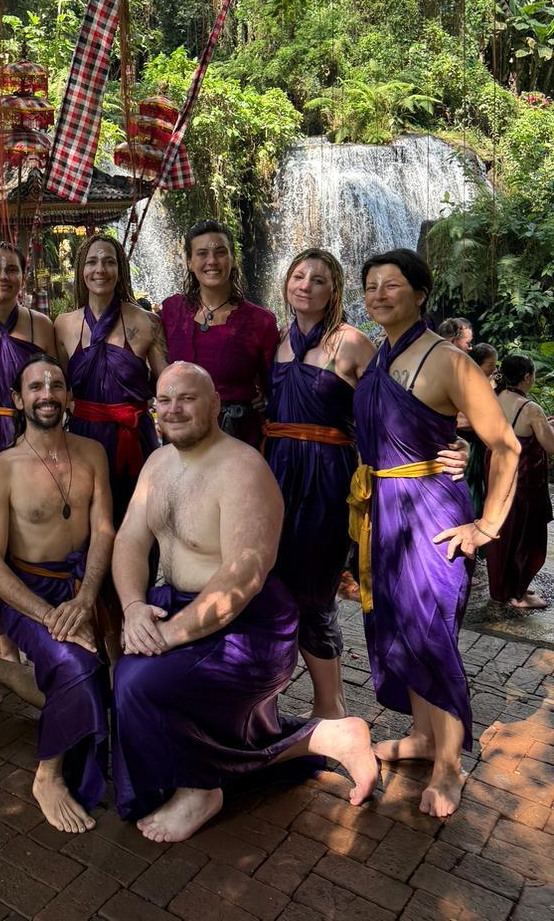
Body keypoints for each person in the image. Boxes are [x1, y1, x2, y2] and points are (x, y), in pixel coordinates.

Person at [111, 362, 378, 844]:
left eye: (187, 398)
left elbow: (244, 576)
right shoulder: (158, 463)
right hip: (180, 606)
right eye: (164, 400)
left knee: (139, 681)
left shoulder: (243, 469)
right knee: (131, 669)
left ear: (215, 405)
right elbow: (130, 539)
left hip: (249, 625)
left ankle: (201, 790)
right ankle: (328, 737)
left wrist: (168, 636)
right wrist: (132, 606)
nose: (173, 409)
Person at [352, 249, 520, 817]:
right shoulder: (379, 355)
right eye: (371, 285)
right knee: (399, 626)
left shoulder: (449, 360)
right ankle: (425, 738)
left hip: (431, 514)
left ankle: (449, 766)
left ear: (421, 294)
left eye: (392, 284)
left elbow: (506, 444)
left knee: (432, 633)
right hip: (384, 512)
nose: (378, 294)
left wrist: (487, 525)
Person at [0, 355, 115, 834]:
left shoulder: (93, 453)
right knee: (79, 669)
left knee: (107, 690)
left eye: (56, 385)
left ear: (70, 397)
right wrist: (50, 615)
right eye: (36, 387)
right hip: (27, 594)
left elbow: (104, 531)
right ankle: (48, 775)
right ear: (18, 399)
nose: (47, 394)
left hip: (83, 586)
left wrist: (85, 599)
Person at [263, 249, 376, 718]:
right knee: (272, 582)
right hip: (275, 473)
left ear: (335, 291)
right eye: (298, 275)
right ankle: (267, 697)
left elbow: (387, 413)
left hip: (326, 477)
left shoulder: (354, 343)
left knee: (315, 591)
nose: (305, 285)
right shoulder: (278, 341)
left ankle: (331, 708)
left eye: (318, 279)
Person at [0, 241, 57, 661]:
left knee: (31, 535)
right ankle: (6, 645)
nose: (2, 277)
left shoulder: (41, 325)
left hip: (30, 440)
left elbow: (55, 386)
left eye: (11, 269)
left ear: (23, 275)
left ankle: (39, 629)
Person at [54, 234, 164, 525]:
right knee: (88, 523)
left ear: (120, 269)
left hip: (134, 435)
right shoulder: (63, 325)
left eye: (109, 262)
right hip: (83, 437)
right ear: (81, 270)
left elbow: (167, 384)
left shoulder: (147, 323)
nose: (100, 269)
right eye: (92, 262)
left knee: (139, 523)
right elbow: (59, 389)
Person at [160, 220, 277, 448]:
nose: (212, 261)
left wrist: (264, 399)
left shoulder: (260, 321)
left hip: (237, 435)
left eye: (220, 252)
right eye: (202, 254)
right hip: (180, 432)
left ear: (233, 260)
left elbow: (274, 384)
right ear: (190, 263)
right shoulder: (172, 310)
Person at [486, 354, 554, 610]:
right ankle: (518, 593)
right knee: (525, 536)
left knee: (502, 531)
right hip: (523, 481)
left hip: (496, 475)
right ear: (527, 377)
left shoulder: (494, 398)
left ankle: (504, 587)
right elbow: (550, 445)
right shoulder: (531, 408)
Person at [458, 343, 498, 518]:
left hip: (478, 441)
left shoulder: (485, 382)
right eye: (490, 365)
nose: (494, 369)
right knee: (468, 485)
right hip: (466, 441)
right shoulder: (465, 382)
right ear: (477, 364)